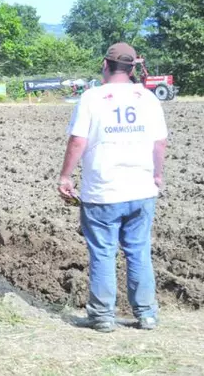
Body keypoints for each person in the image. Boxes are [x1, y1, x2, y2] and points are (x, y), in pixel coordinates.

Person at [58, 42, 168, 334]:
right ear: (132, 69)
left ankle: (103, 316)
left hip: (103, 191)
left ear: (105, 66)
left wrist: (66, 176)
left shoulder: (93, 98)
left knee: (103, 252)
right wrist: (157, 174)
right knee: (139, 251)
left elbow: (78, 140)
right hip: (142, 190)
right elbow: (160, 143)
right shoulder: (148, 98)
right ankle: (146, 315)